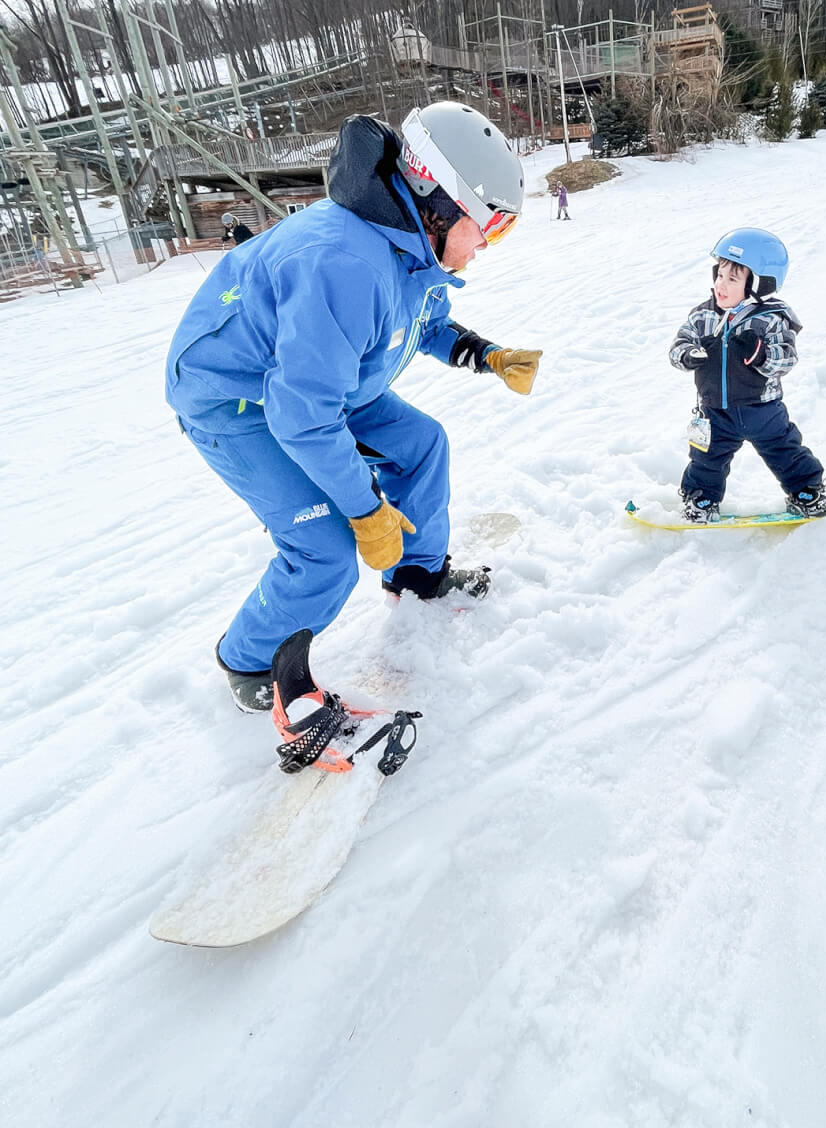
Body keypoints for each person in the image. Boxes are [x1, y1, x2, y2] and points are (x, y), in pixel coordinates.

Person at [166, 102, 543, 765]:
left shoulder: (405, 243)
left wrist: (484, 353)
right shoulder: (344, 263)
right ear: (443, 203)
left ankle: (417, 577)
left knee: (421, 445)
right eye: (492, 227)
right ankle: (252, 666)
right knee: (323, 546)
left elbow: (418, 321)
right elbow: (302, 416)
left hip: (317, 383)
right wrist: (366, 510)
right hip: (237, 399)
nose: (487, 244)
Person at [669, 227, 826, 523]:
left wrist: (762, 355)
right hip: (715, 411)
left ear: (759, 284)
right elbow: (678, 346)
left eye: (733, 279)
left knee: (785, 450)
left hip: (763, 411)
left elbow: (787, 358)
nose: (721, 284)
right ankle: (701, 500)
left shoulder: (771, 318)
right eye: (719, 274)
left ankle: (807, 492)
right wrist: (687, 354)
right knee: (706, 460)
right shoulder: (702, 316)